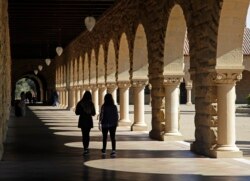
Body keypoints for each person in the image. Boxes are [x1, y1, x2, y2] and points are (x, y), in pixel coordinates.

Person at [75, 91, 96, 155]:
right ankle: (87, 148)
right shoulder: (91, 104)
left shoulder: (80, 103)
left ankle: (85, 148)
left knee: (84, 135)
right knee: (87, 134)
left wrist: (82, 111)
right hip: (89, 121)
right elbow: (93, 113)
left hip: (82, 120)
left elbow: (77, 113)